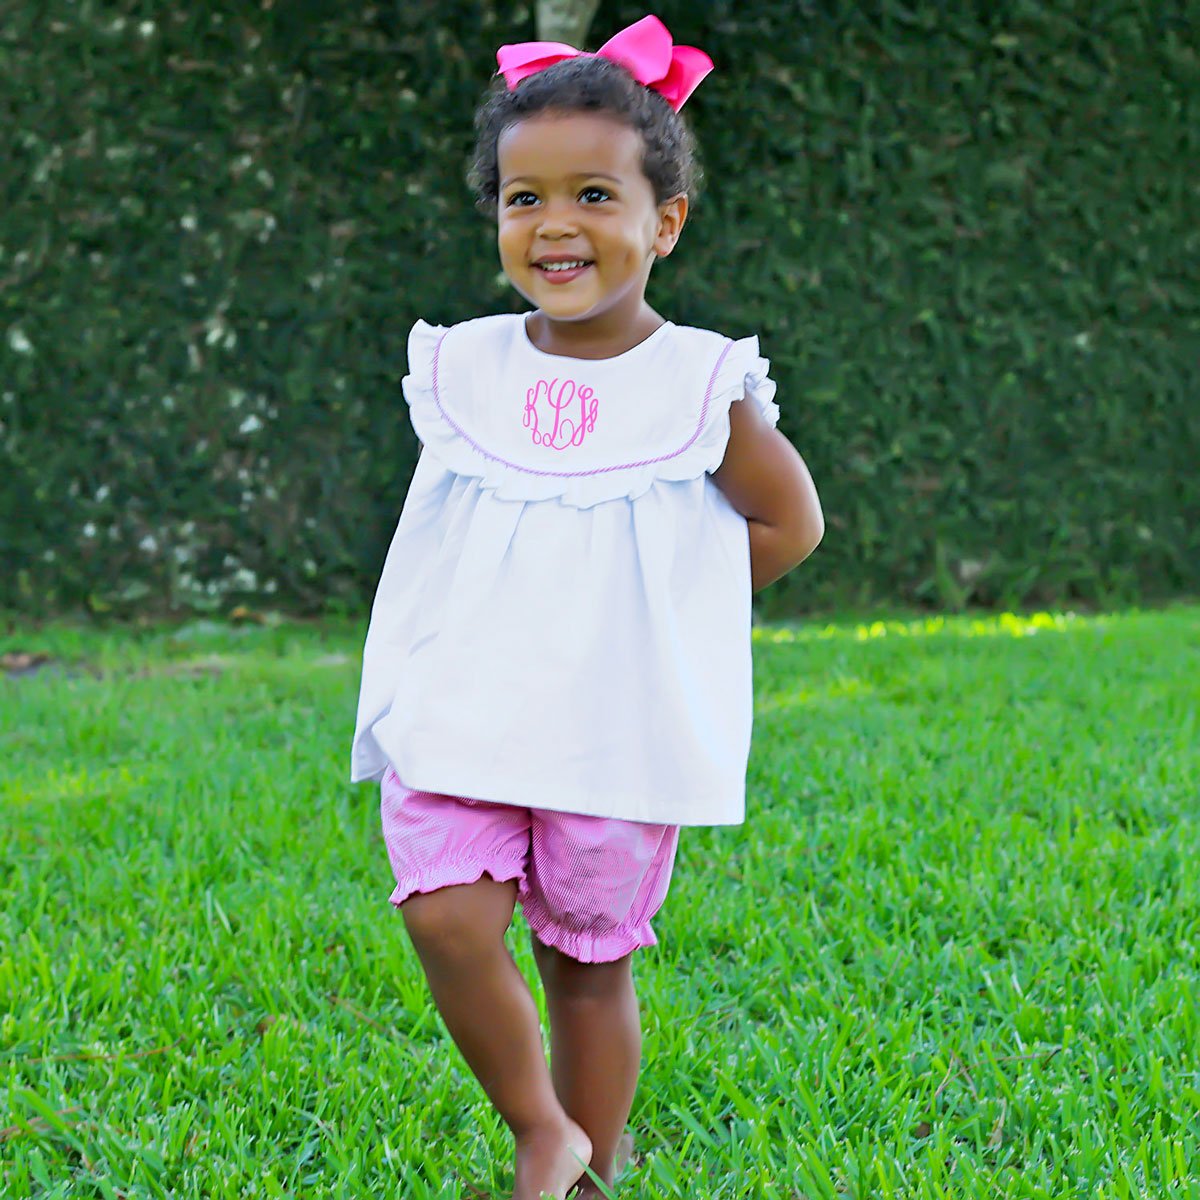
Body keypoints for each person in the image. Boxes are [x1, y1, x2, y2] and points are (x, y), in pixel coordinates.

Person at [351, 15, 824, 1199]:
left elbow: (788, 525)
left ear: (665, 221)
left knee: (586, 967)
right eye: (525, 199)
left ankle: (592, 1170)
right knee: (445, 914)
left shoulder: (698, 384)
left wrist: (654, 616)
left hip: (613, 728)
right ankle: (539, 1131)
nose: (555, 223)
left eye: (594, 195)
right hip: (465, 702)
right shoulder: (466, 367)